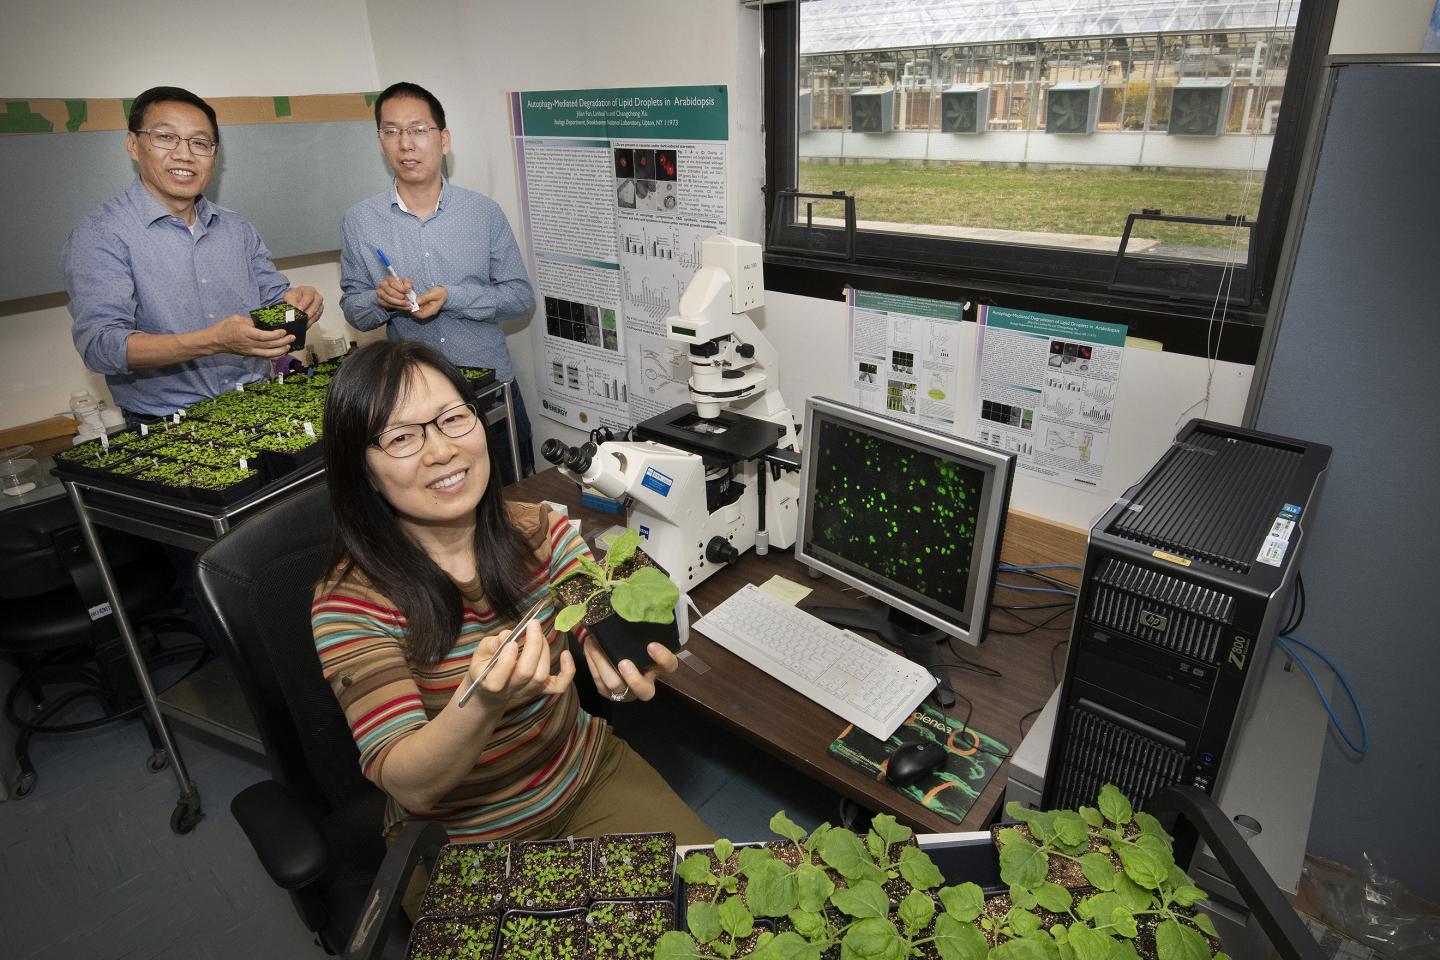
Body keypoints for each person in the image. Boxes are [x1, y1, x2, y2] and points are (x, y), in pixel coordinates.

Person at [311, 341, 711, 873]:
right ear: (362, 469)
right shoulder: (349, 602)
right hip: (462, 838)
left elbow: (592, 597)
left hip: (585, 775)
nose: (441, 450)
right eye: (402, 437)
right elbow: (407, 779)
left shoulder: (536, 528)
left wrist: (614, 653)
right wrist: (481, 703)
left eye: (453, 418)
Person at [63, 85, 324, 422]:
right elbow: (102, 346)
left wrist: (297, 302)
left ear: (214, 155)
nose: (184, 155)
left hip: (258, 404)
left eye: (200, 143)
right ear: (133, 144)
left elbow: (273, 298)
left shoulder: (237, 229)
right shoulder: (102, 234)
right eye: (166, 138)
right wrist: (213, 341)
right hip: (166, 424)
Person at [338, 81, 536, 485]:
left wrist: (453, 297)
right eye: (391, 132)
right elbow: (354, 309)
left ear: (443, 139)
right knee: (435, 510)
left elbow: (520, 297)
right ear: (380, 142)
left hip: (489, 392)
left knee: (515, 500)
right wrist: (381, 301)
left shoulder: (482, 213)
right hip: (414, 407)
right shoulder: (360, 221)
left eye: (418, 130)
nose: (405, 144)